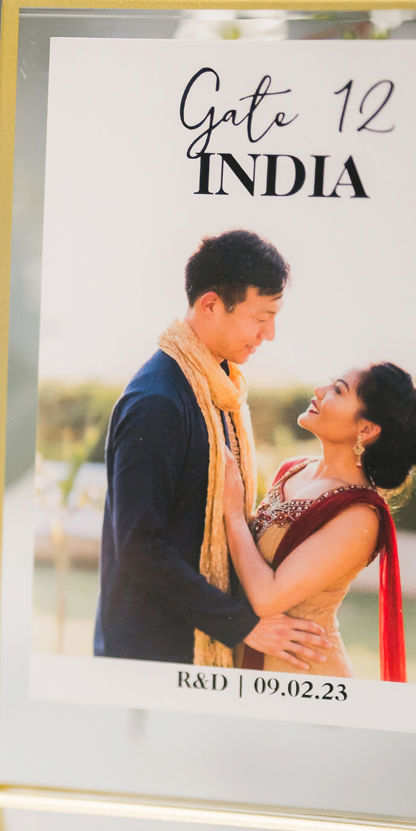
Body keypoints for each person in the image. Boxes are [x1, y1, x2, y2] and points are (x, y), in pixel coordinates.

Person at [94, 229, 330, 671]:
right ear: (210, 305)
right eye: (261, 317)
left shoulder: (220, 390)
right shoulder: (157, 402)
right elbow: (138, 546)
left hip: (191, 648)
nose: (269, 334)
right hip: (152, 657)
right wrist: (241, 625)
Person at [221, 363, 416, 681]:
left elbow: (267, 598)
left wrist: (233, 513)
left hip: (306, 678)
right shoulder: (293, 470)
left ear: (366, 429)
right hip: (246, 662)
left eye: (337, 390)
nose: (318, 391)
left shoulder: (359, 514)